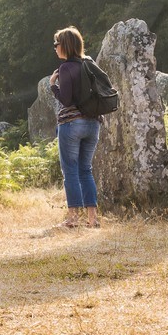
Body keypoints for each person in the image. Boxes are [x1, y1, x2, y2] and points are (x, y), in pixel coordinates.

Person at [49, 25, 101, 229]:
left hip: (71, 124)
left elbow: (66, 100)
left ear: (66, 45)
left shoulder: (65, 68)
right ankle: (93, 219)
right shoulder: (88, 65)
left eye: (57, 44)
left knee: (70, 170)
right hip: (93, 123)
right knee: (85, 170)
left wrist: (53, 84)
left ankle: (72, 219)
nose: (54, 47)